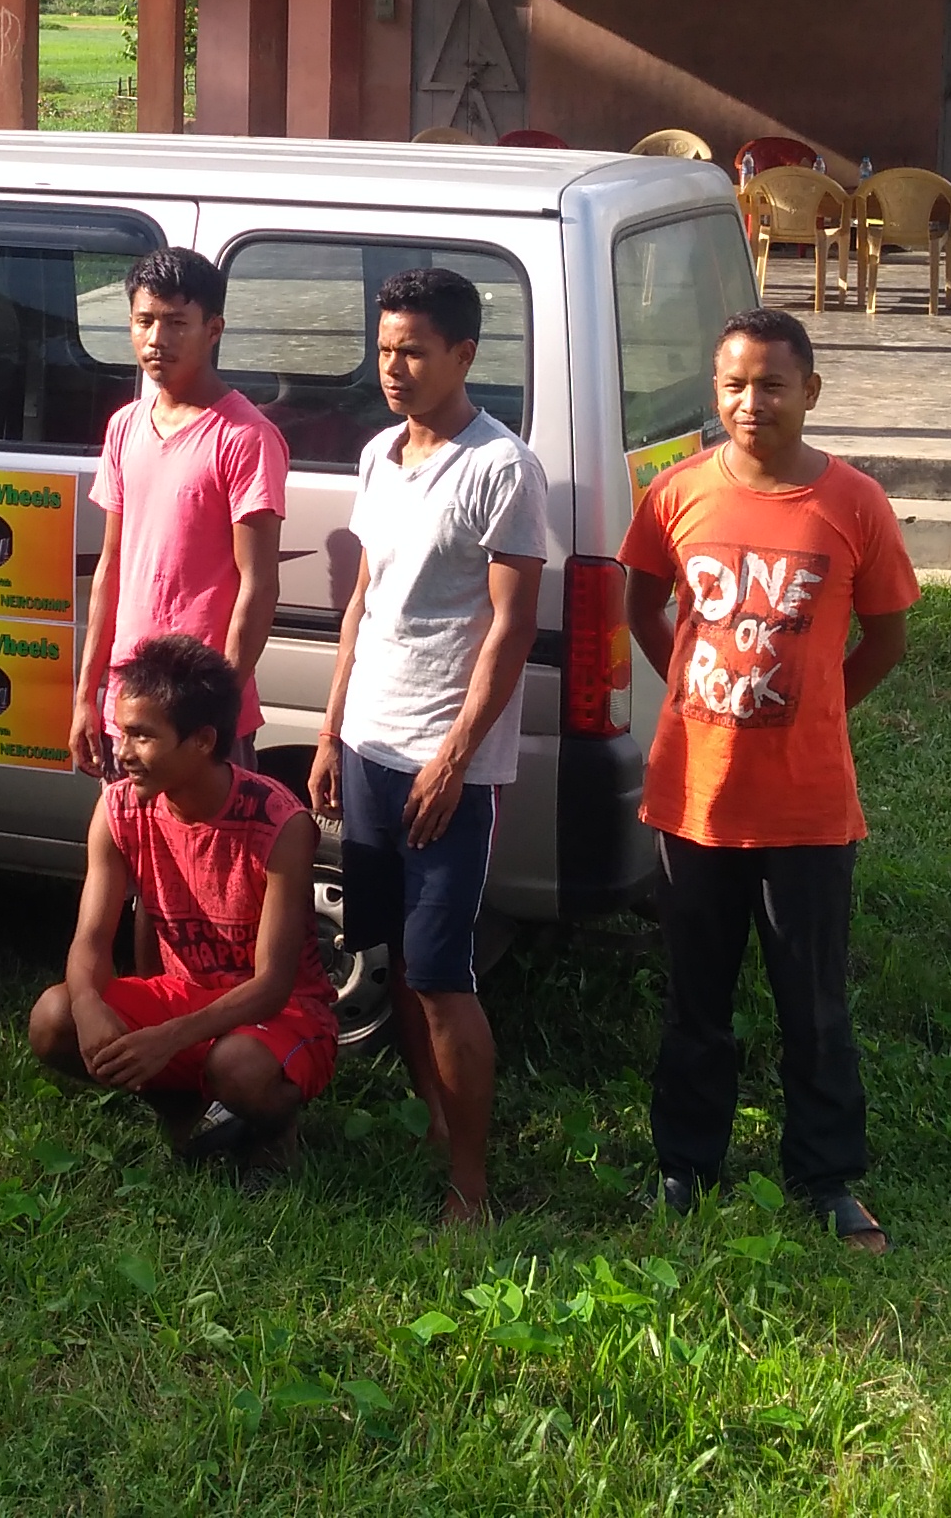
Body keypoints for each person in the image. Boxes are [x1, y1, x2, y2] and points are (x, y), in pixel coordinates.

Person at [618, 307, 917, 1253]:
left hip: (807, 808)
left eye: (773, 384)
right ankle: (685, 1167)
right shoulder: (675, 493)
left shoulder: (853, 503)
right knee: (694, 998)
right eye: (734, 384)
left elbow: (887, 639)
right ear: (716, 392)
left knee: (813, 1002)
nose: (752, 402)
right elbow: (641, 602)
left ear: (810, 392)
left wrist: (817, 707)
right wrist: (700, 698)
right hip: (693, 801)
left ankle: (826, 1177)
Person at [311, 266, 548, 1227]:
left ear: (464, 355)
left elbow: (512, 629)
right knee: (394, 958)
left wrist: (454, 759)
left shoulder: (503, 467)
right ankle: (429, 1118)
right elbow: (364, 602)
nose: (396, 367)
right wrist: (328, 731)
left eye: (415, 350)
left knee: (445, 972)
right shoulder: (379, 455)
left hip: (444, 761)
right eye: (384, 349)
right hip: (367, 741)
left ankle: (471, 1186)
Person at [28, 635, 333, 1168]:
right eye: (123, 732)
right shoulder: (118, 810)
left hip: (281, 1014)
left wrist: (166, 1039)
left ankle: (272, 1127)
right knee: (55, 1017)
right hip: (182, 996)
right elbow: (90, 941)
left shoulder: (279, 822)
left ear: (202, 741)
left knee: (238, 1065)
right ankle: (184, 1107)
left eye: (143, 737)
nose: (123, 753)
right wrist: (89, 1005)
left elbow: (272, 986)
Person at [66, 248, 288, 780]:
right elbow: (112, 569)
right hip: (130, 706)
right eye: (144, 321)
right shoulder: (125, 426)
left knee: (209, 858)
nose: (157, 340)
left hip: (198, 721)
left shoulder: (245, 437)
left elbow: (258, 588)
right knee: (127, 856)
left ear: (214, 330)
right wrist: (87, 696)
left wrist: (218, 716)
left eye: (176, 323)